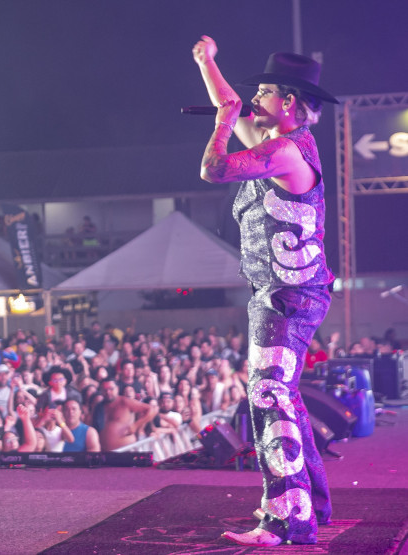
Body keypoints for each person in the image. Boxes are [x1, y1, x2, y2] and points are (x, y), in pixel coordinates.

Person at [193, 35, 337, 546]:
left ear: (289, 102)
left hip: (286, 293)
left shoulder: (284, 149)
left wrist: (223, 123)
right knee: (284, 394)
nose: (255, 99)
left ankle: (286, 517)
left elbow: (213, 167)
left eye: (264, 91)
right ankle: (312, 503)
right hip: (286, 289)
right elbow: (230, 103)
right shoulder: (279, 135)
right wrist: (208, 63)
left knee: (267, 391)